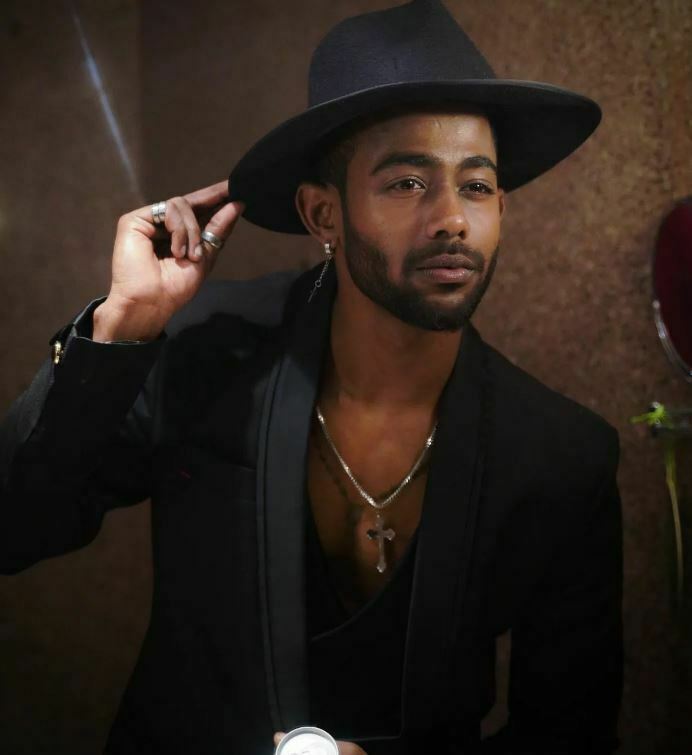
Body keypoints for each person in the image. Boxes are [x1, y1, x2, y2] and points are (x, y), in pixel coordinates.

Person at [0, 1, 623, 754]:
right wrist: (121, 327)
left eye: (477, 186)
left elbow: (570, 731)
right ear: (323, 213)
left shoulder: (560, 456)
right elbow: (16, 524)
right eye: (407, 183)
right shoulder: (207, 352)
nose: (452, 219)